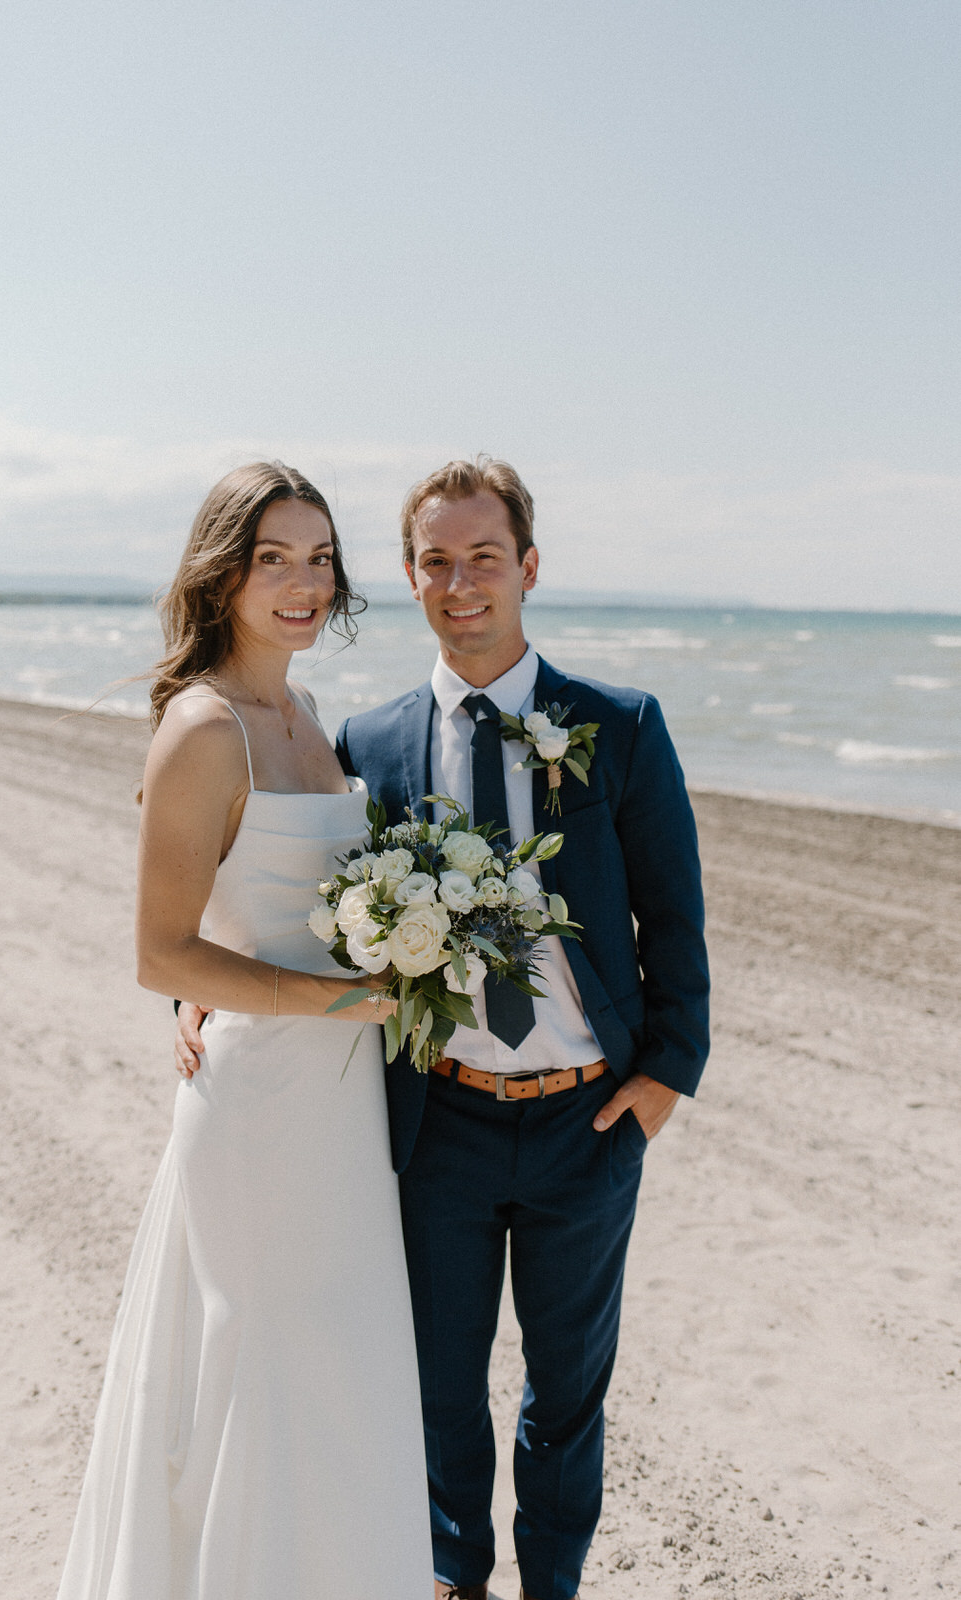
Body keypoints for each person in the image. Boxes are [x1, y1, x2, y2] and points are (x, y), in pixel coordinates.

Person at [179, 456, 711, 1600]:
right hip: (434, 1121)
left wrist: (666, 1075)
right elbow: (300, 902)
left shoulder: (616, 727)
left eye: (482, 557)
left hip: (587, 1118)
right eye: (433, 560)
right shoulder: (362, 744)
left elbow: (672, 916)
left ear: (527, 567)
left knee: (567, 1387)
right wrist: (195, 991)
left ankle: (551, 1584)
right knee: (435, 1381)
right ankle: (451, 1578)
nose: (458, 581)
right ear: (411, 578)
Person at [57, 462, 433, 1599]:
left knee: (336, 1373)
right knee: (260, 1373)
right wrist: (341, 1001)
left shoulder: (309, 716)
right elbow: (162, 952)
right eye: (275, 557)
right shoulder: (202, 728)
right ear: (223, 572)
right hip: (261, 1106)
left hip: (341, 1104)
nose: (303, 583)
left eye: (319, 558)